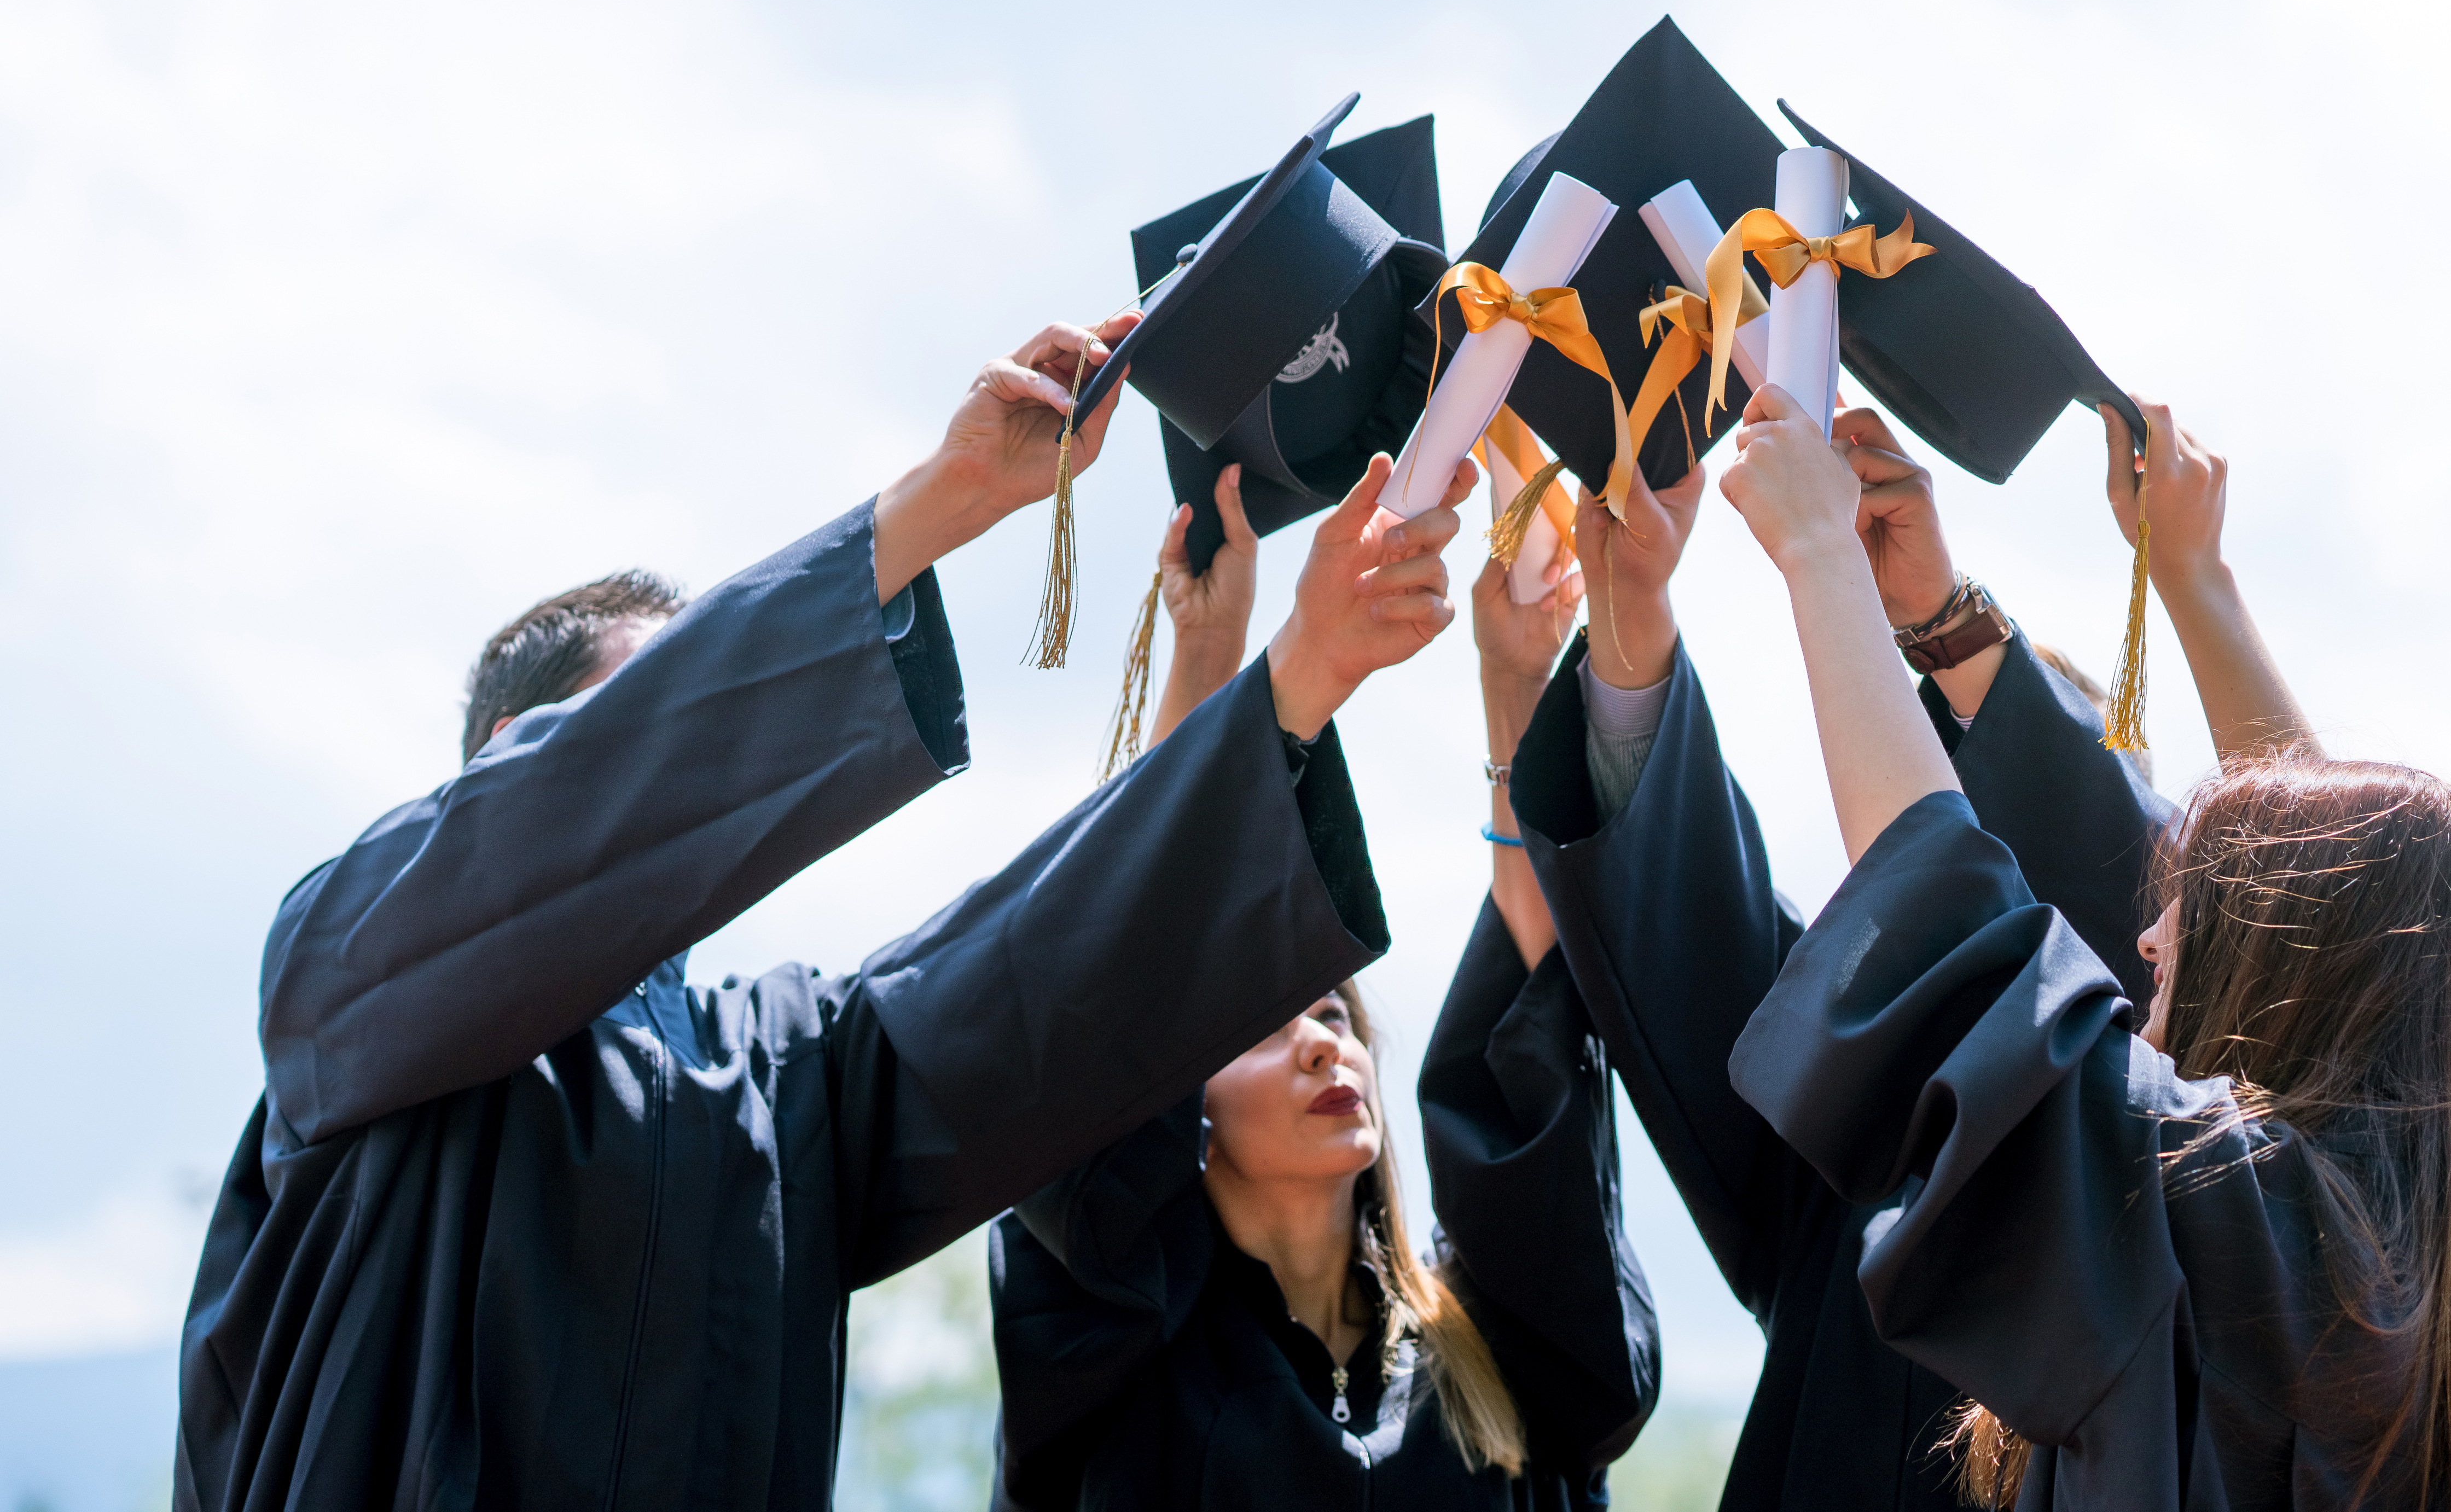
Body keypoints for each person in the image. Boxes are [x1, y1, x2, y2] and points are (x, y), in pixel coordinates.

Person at [178, 321, 1477, 1512]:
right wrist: (931, 508)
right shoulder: (349, 974)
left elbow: (1042, 968)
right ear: (513, 755)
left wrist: (1302, 673)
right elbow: (567, 818)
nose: (713, 772)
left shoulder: (782, 1078)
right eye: (663, 714)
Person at [1715, 386, 2451, 1511]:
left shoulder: (2217, 1211)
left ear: (2282, 956)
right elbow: (2345, 881)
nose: (2145, 933)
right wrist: (2188, 581)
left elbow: (1950, 931)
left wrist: (1820, 562)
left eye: (2189, 893)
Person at [1479, 399, 2239, 1511]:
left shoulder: (2208, 1154)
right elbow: (1688, 922)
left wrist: (1949, 631)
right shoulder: (1860, 1108)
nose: (1938, 833)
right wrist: (1629, 612)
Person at [983, 469, 1659, 1509]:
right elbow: (1125, 975)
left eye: (1337, 1014)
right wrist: (1208, 654)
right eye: (1261, 1026)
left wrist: (1514, 681)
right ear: (1177, 1098)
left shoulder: (1486, 1348)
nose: (1320, 1042)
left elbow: (1535, 1019)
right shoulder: (1118, 1349)